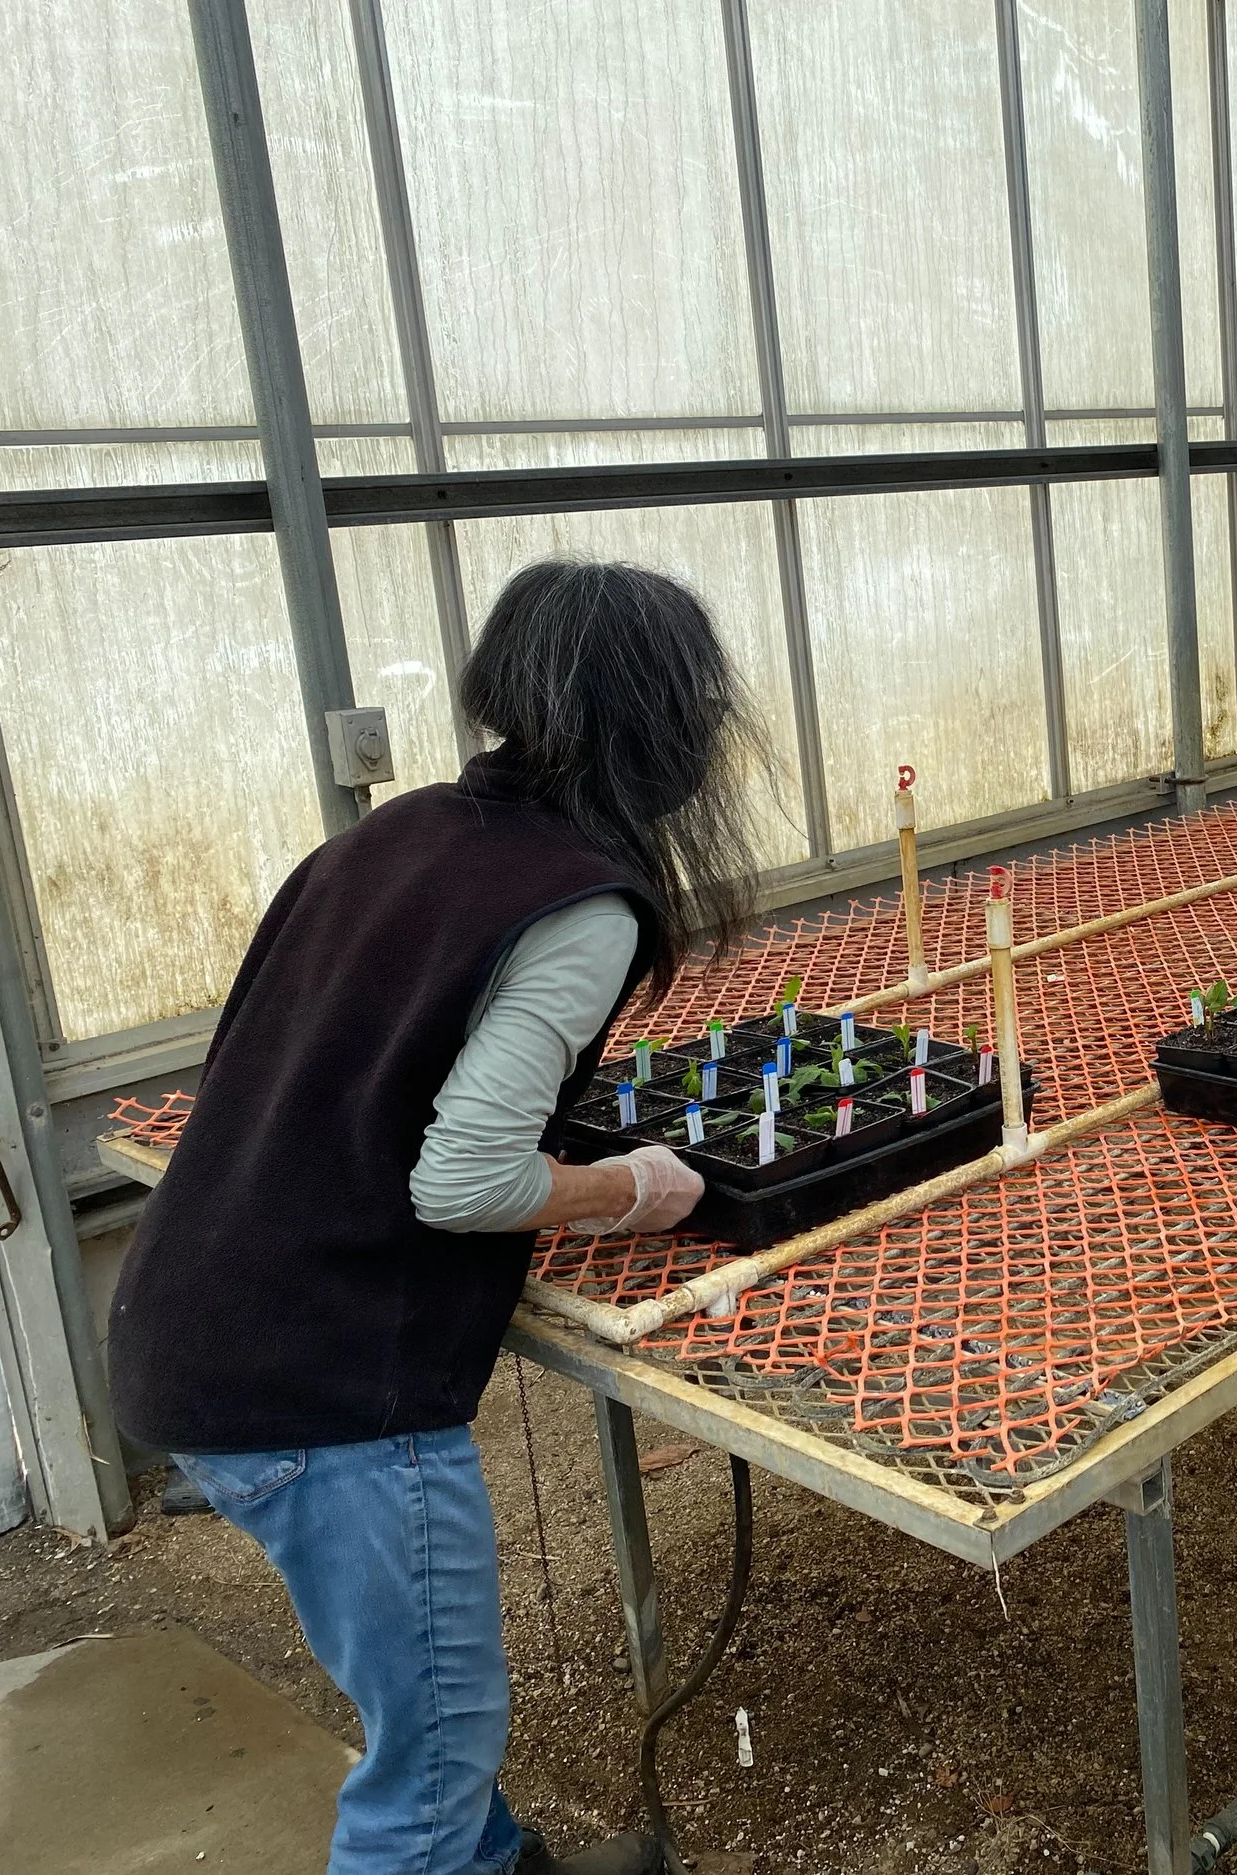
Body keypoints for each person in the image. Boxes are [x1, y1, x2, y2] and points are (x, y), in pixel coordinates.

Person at [106, 561, 772, 1875]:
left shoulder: (402, 829)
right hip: (322, 1391)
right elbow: (460, 1178)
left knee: (421, 1701)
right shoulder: (578, 898)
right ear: (661, 722)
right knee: (428, 1758)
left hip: (196, 1311)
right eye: (695, 698)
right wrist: (628, 1188)